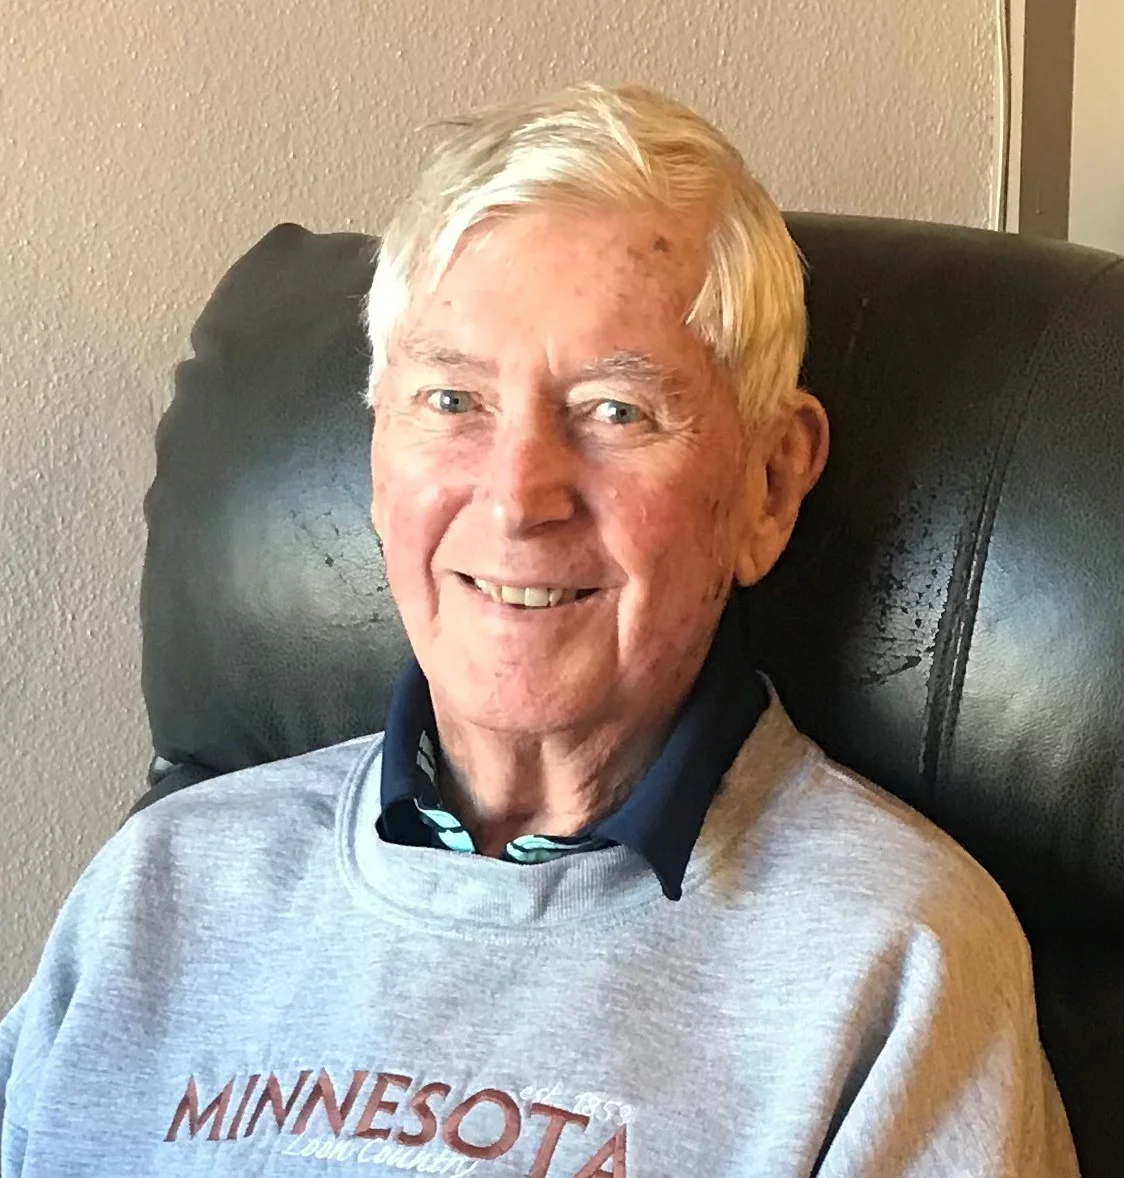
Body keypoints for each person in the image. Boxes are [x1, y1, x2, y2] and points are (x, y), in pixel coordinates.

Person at [0, 84, 1077, 1177]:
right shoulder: (165, 881)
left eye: (615, 410)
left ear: (767, 484)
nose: (518, 497)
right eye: (452, 400)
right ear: (378, 454)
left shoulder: (894, 962)